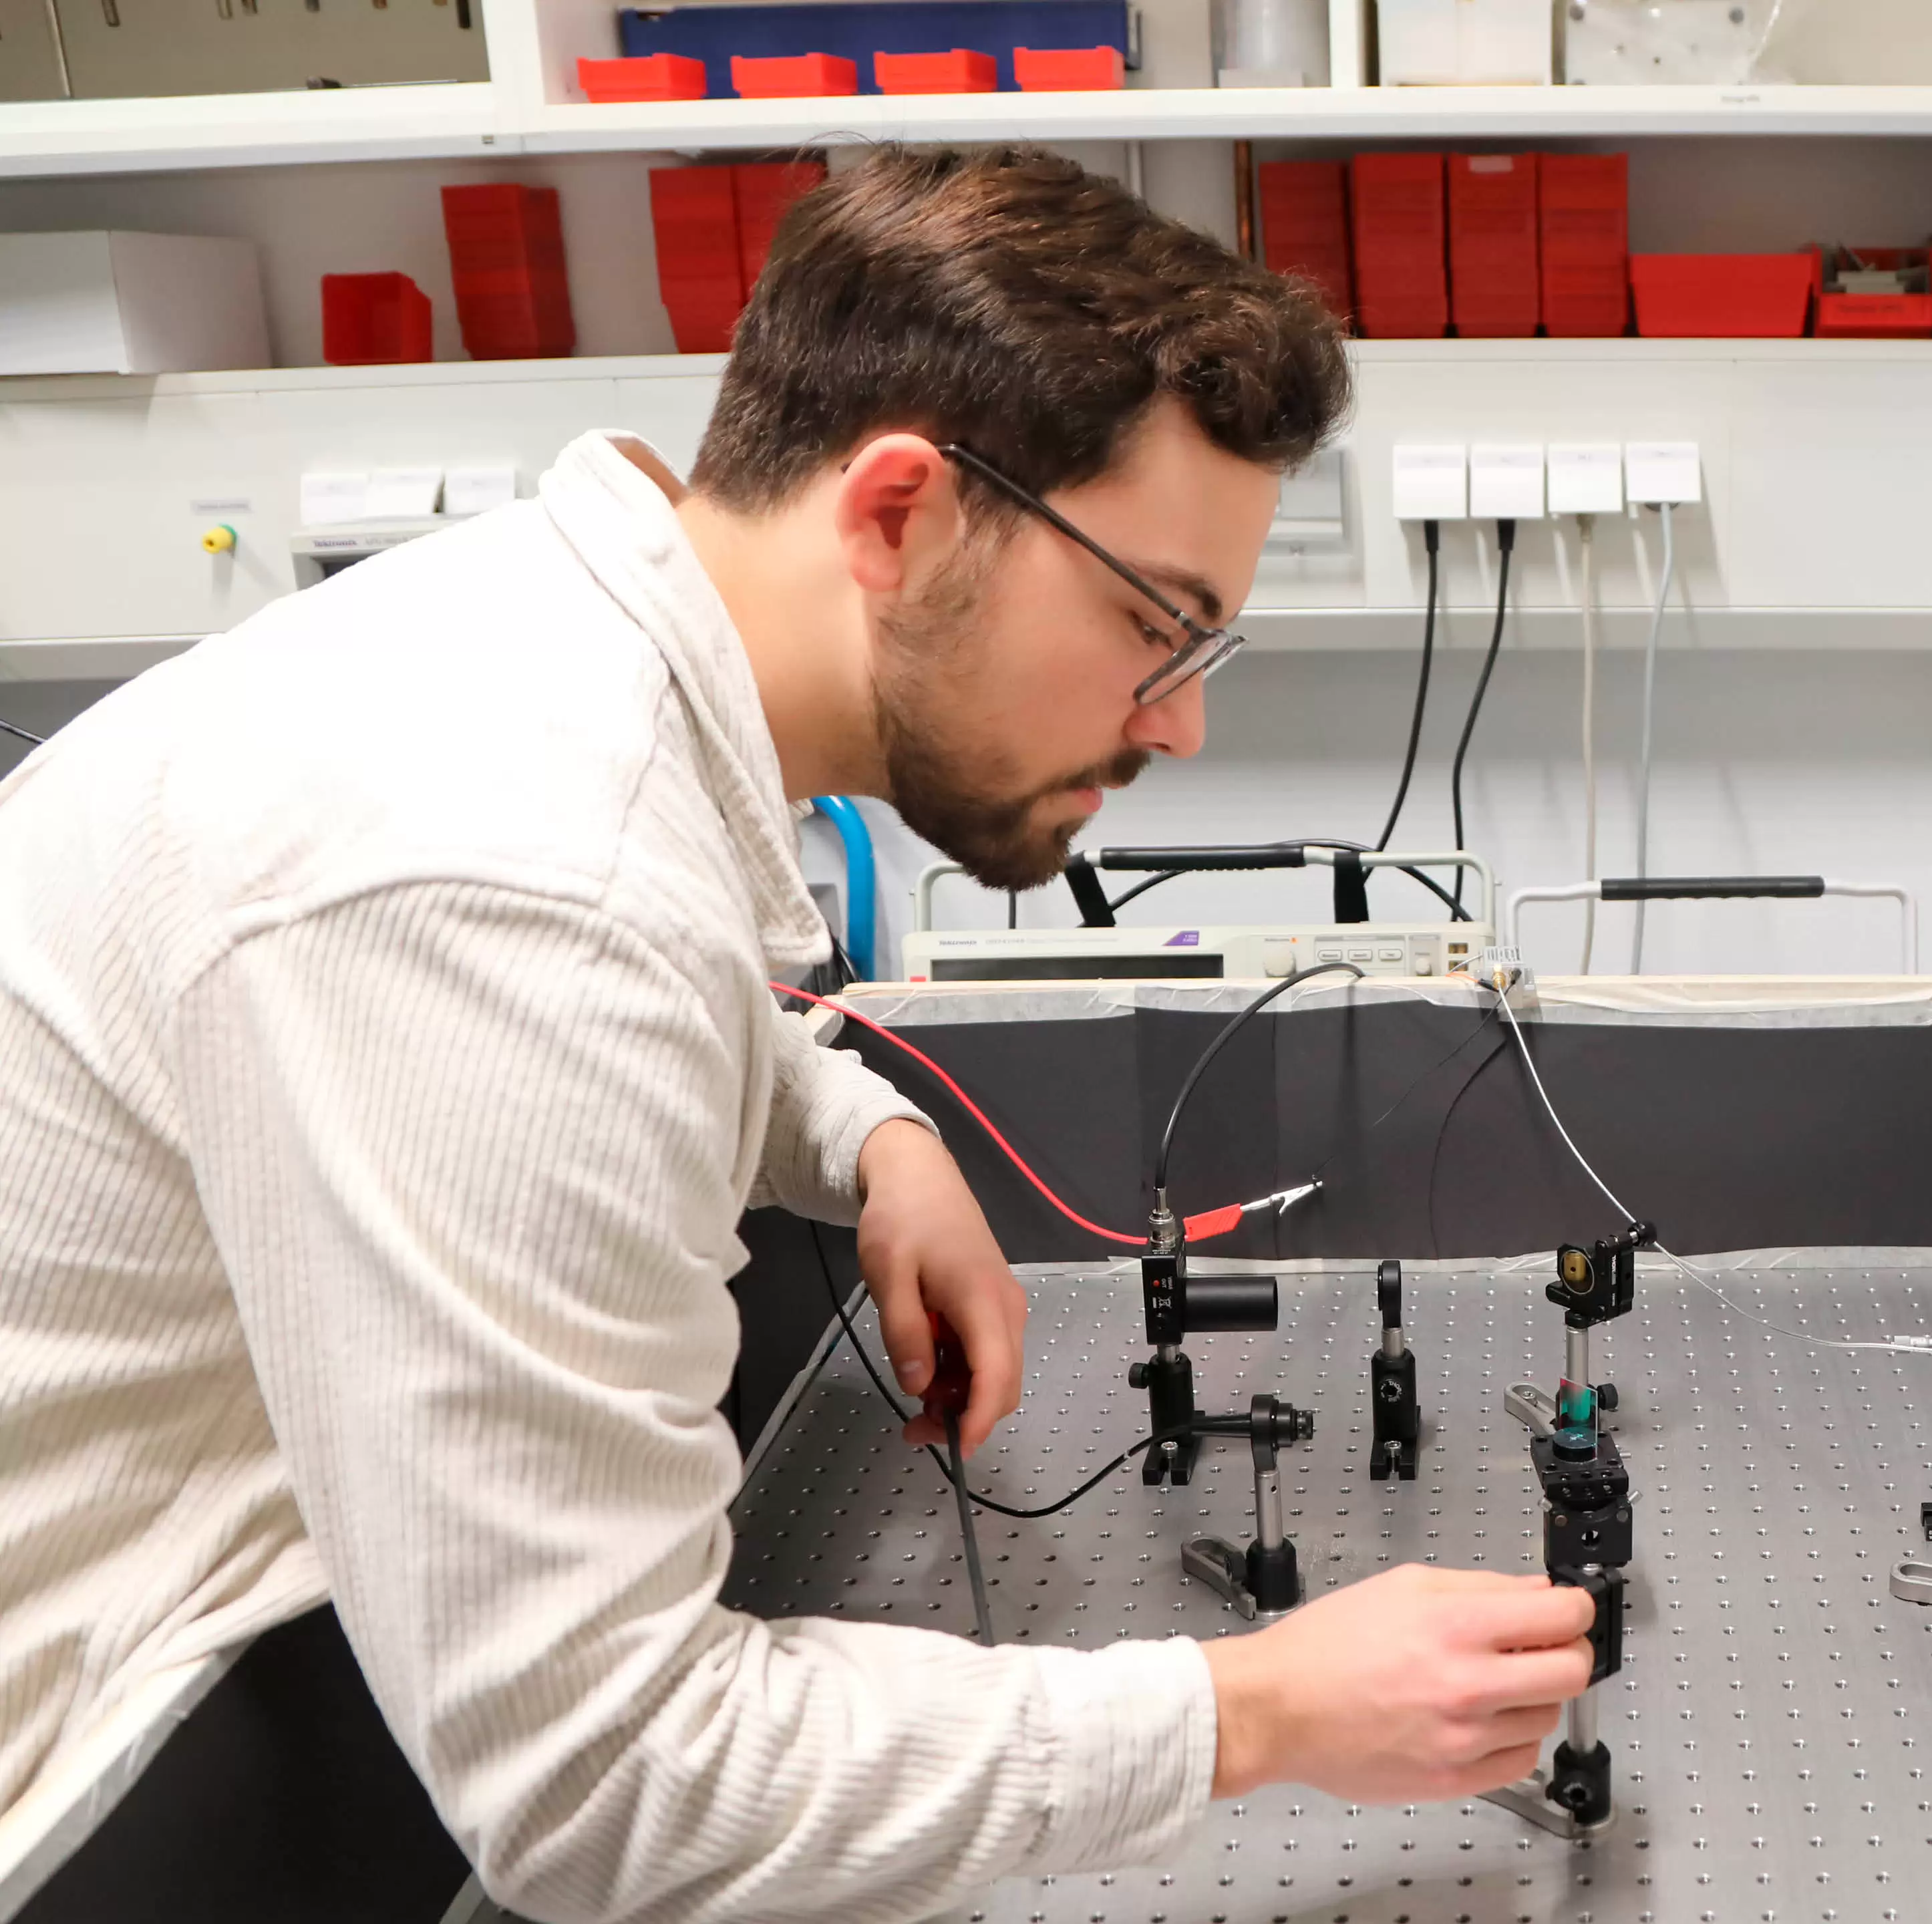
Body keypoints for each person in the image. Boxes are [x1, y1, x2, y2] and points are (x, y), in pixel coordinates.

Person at [0, 145, 1596, 1923]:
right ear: (900, 515)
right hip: (94, 1802)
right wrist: (1253, 1708)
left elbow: (613, 1005)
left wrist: (864, 1136)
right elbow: (608, 1787)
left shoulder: (548, 653)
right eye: (1156, 625)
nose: (1187, 724)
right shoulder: (515, 873)